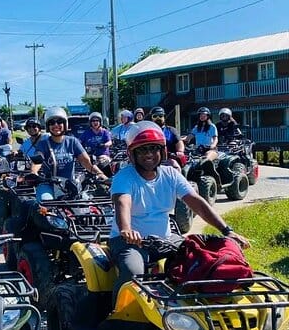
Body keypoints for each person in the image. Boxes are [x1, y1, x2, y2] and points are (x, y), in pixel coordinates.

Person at [109, 121, 250, 300]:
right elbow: (123, 203)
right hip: (129, 242)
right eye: (142, 150)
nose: (149, 154)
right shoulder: (124, 177)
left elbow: (197, 203)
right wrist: (126, 229)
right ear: (132, 154)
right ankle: (116, 312)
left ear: (162, 151)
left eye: (153, 148)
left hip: (165, 239)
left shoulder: (170, 174)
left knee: (200, 260)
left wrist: (227, 231)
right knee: (133, 273)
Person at [30, 106, 108, 200]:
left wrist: (100, 174)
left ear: (65, 124)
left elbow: (87, 163)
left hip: (70, 186)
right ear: (47, 126)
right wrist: (33, 173)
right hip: (49, 185)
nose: (56, 125)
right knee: (46, 202)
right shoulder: (43, 143)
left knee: (87, 203)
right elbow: (37, 161)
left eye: (59, 122)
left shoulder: (72, 142)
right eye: (52, 123)